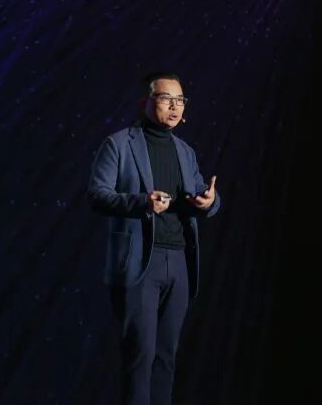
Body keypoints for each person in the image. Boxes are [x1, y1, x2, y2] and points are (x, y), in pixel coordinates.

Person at [86, 72, 221, 405]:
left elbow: (205, 196)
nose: (174, 106)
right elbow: (97, 195)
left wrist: (209, 202)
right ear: (145, 102)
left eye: (180, 100)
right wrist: (141, 202)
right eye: (166, 98)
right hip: (140, 262)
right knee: (140, 357)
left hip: (179, 261)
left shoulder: (185, 151)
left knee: (166, 358)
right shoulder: (119, 144)